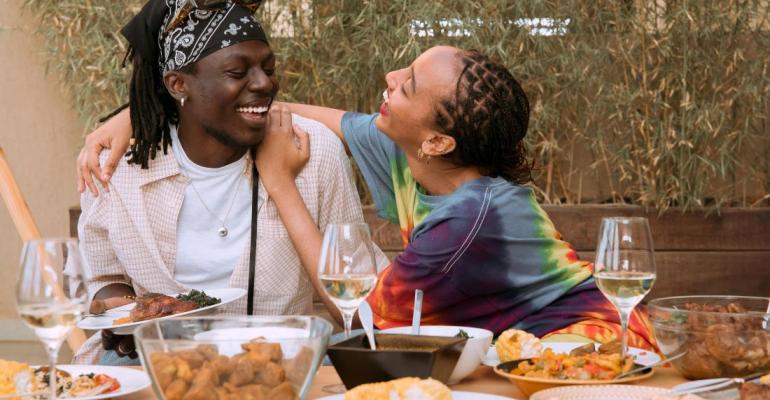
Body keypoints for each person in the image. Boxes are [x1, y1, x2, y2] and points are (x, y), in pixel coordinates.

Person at [78, 45, 657, 350]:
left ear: (437, 138)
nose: (389, 76)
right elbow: (284, 111)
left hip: (591, 351)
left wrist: (280, 183)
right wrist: (143, 112)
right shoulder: (412, 154)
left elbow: (368, 315)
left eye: (406, 85)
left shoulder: (471, 220)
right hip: (516, 356)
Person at [74, 0, 382, 365]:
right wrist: (123, 312)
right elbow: (104, 279)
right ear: (178, 84)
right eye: (238, 72)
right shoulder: (118, 165)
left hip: (280, 362)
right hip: (157, 360)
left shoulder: (313, 153)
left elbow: (360, 307)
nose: (265, 83)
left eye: (268, 68)